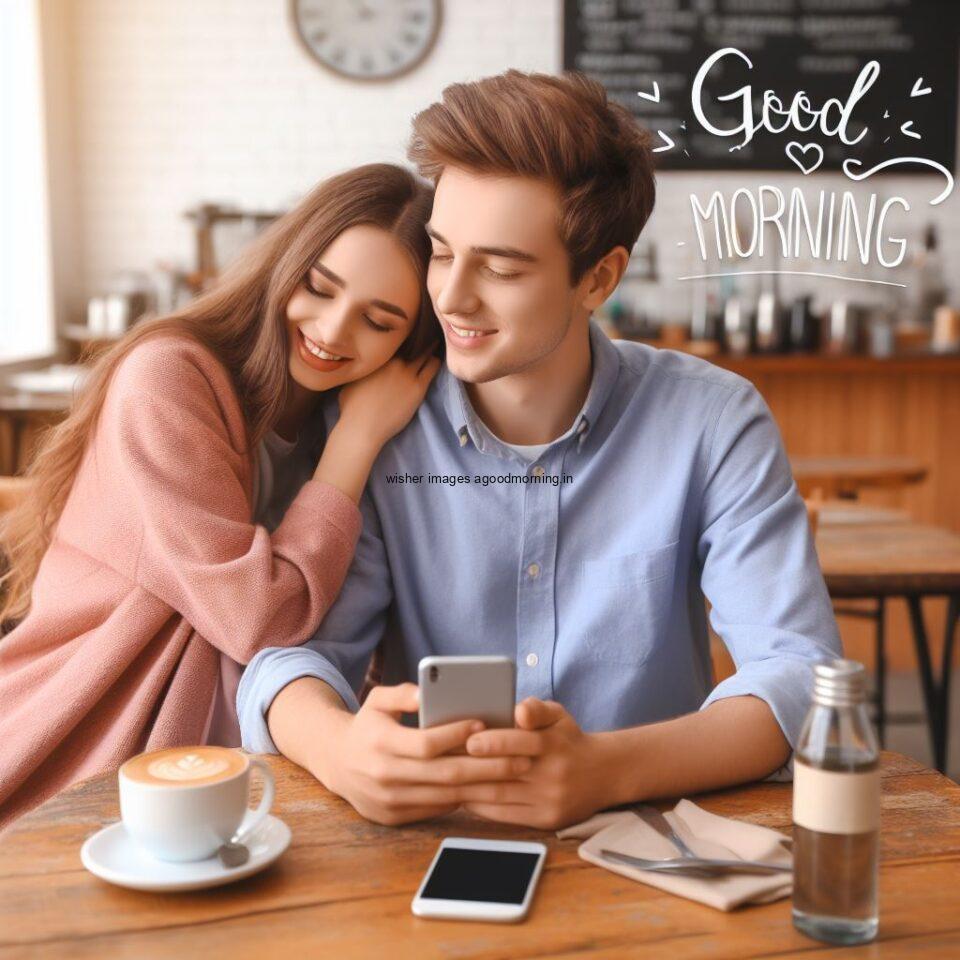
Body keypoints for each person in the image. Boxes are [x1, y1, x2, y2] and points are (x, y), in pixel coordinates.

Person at [238, 71, 842, 830]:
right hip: (427, 854)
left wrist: (605, 771)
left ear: (598, 278)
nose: (452, 297)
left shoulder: (712, 420)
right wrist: (339, 751)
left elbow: (800, 674)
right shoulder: (380, 426)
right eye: (441, 252)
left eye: (501, 267)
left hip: (652, 849)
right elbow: (290, 662)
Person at [0, 163, 440, 830]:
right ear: (286, 264)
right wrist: (358, 442)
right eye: (319, 288)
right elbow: (257, 617)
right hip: (92, 722)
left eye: (378, 322)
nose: (332, 330)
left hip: (241, 760)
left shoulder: (335, 417)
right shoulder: (169, 378)